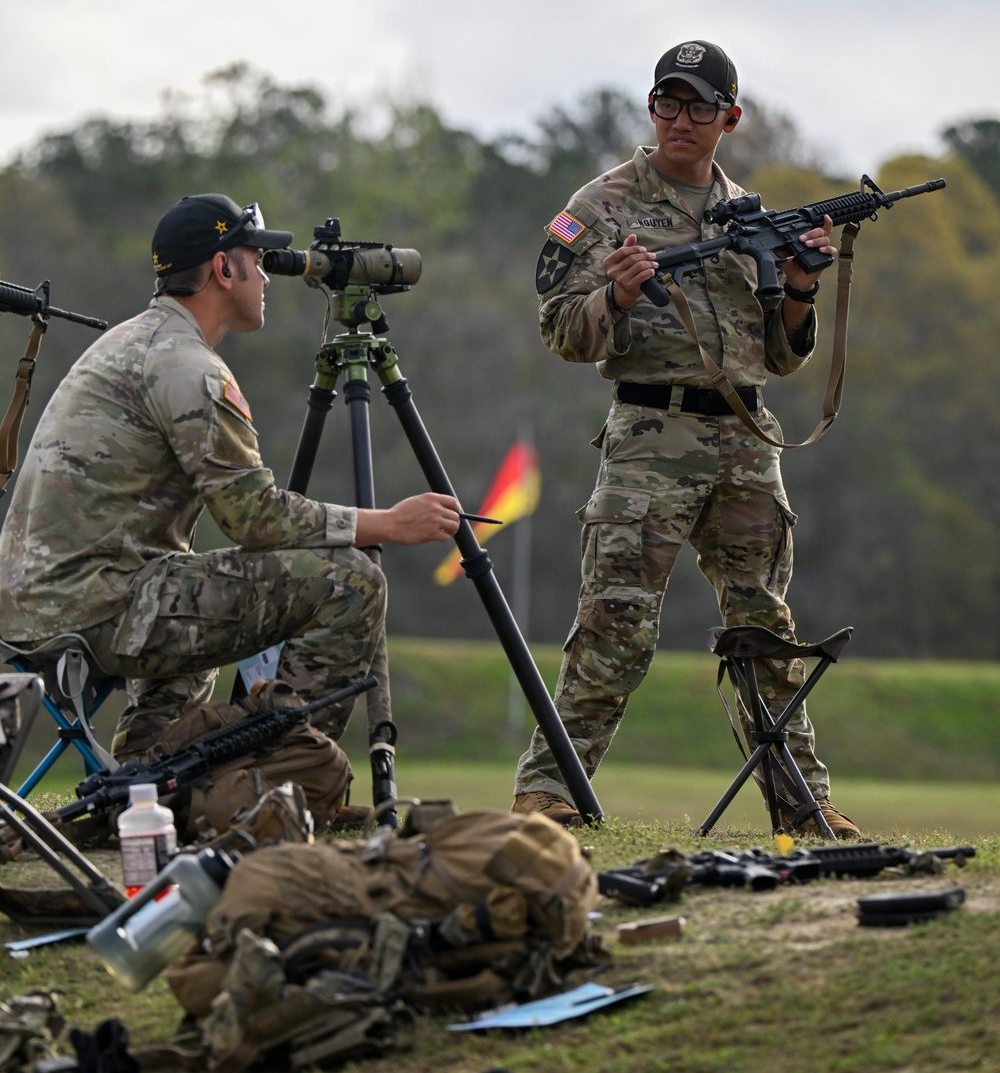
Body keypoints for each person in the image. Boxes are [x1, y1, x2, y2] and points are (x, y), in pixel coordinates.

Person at [511, 41, 860, 838]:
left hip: (745, 438)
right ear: (651, 108)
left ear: (729, 119)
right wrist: (616, 297)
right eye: (668, 102)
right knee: (616, 621)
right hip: (649, 435)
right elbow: (560, 332)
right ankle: (547, 791)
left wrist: (800, 287)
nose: (681, 119)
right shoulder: (601, 206)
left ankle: (803, 803)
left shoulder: (751, 215)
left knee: (765, 628)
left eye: (700, 106)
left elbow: (780, 355)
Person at [0, 193, 460, 758]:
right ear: (223, 268)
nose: (265, 277)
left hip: (41, 605)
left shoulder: (131, 341)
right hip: (94, 609)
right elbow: (254, 519)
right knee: (352, 582)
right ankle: (282, 779)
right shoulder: (187, 366)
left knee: (193, 594)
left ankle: (146, 779)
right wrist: (388, 524)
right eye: (256, 261)